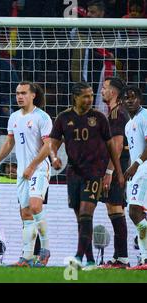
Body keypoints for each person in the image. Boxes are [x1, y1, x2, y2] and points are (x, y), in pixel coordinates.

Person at [49, 82, 124, 270]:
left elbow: (111, 147)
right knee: (81, 219)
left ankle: (77, 257)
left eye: (91, 95)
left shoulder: (99, 118)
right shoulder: (63, 118)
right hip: (74, 173)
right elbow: (53, 143)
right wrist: (54, 157)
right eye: (85, 96)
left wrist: (117, 172)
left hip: (94, 173)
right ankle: (90, 260)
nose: (90, 99)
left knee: (85, 213)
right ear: (76, 97)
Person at [0, 81, 52, 267]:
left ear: (33, 95)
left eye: (23, 93)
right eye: (17, 93)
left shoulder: (42, 117)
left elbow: (48, 146)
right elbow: (8, 144)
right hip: (23, 173)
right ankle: (27, 256)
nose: (19, 96)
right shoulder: (14, 117)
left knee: (35, 206)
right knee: (25, 214)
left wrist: (32, 166)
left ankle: (45, 249)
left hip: (38, 169)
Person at [99, 77, 131, 269]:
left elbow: (117, 145)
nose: (102, 91)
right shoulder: (117, 112)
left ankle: (122, 259)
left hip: (119, 166)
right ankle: (120, 257)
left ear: (113, 93)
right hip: (122, 166)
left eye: (104, 88)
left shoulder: (117, 113)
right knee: (116, 209)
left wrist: (110, 171)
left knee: (115, 208)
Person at [121, 85, 147, 270]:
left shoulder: (145, 116)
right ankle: (144, 259)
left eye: (133, 97)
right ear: (122, 102)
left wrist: (136, 164)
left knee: (134, 212)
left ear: (140, 99)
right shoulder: (128, 124)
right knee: (138, 213)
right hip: (136, 172)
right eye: (126, 98)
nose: (130, 100)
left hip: (143, 169)